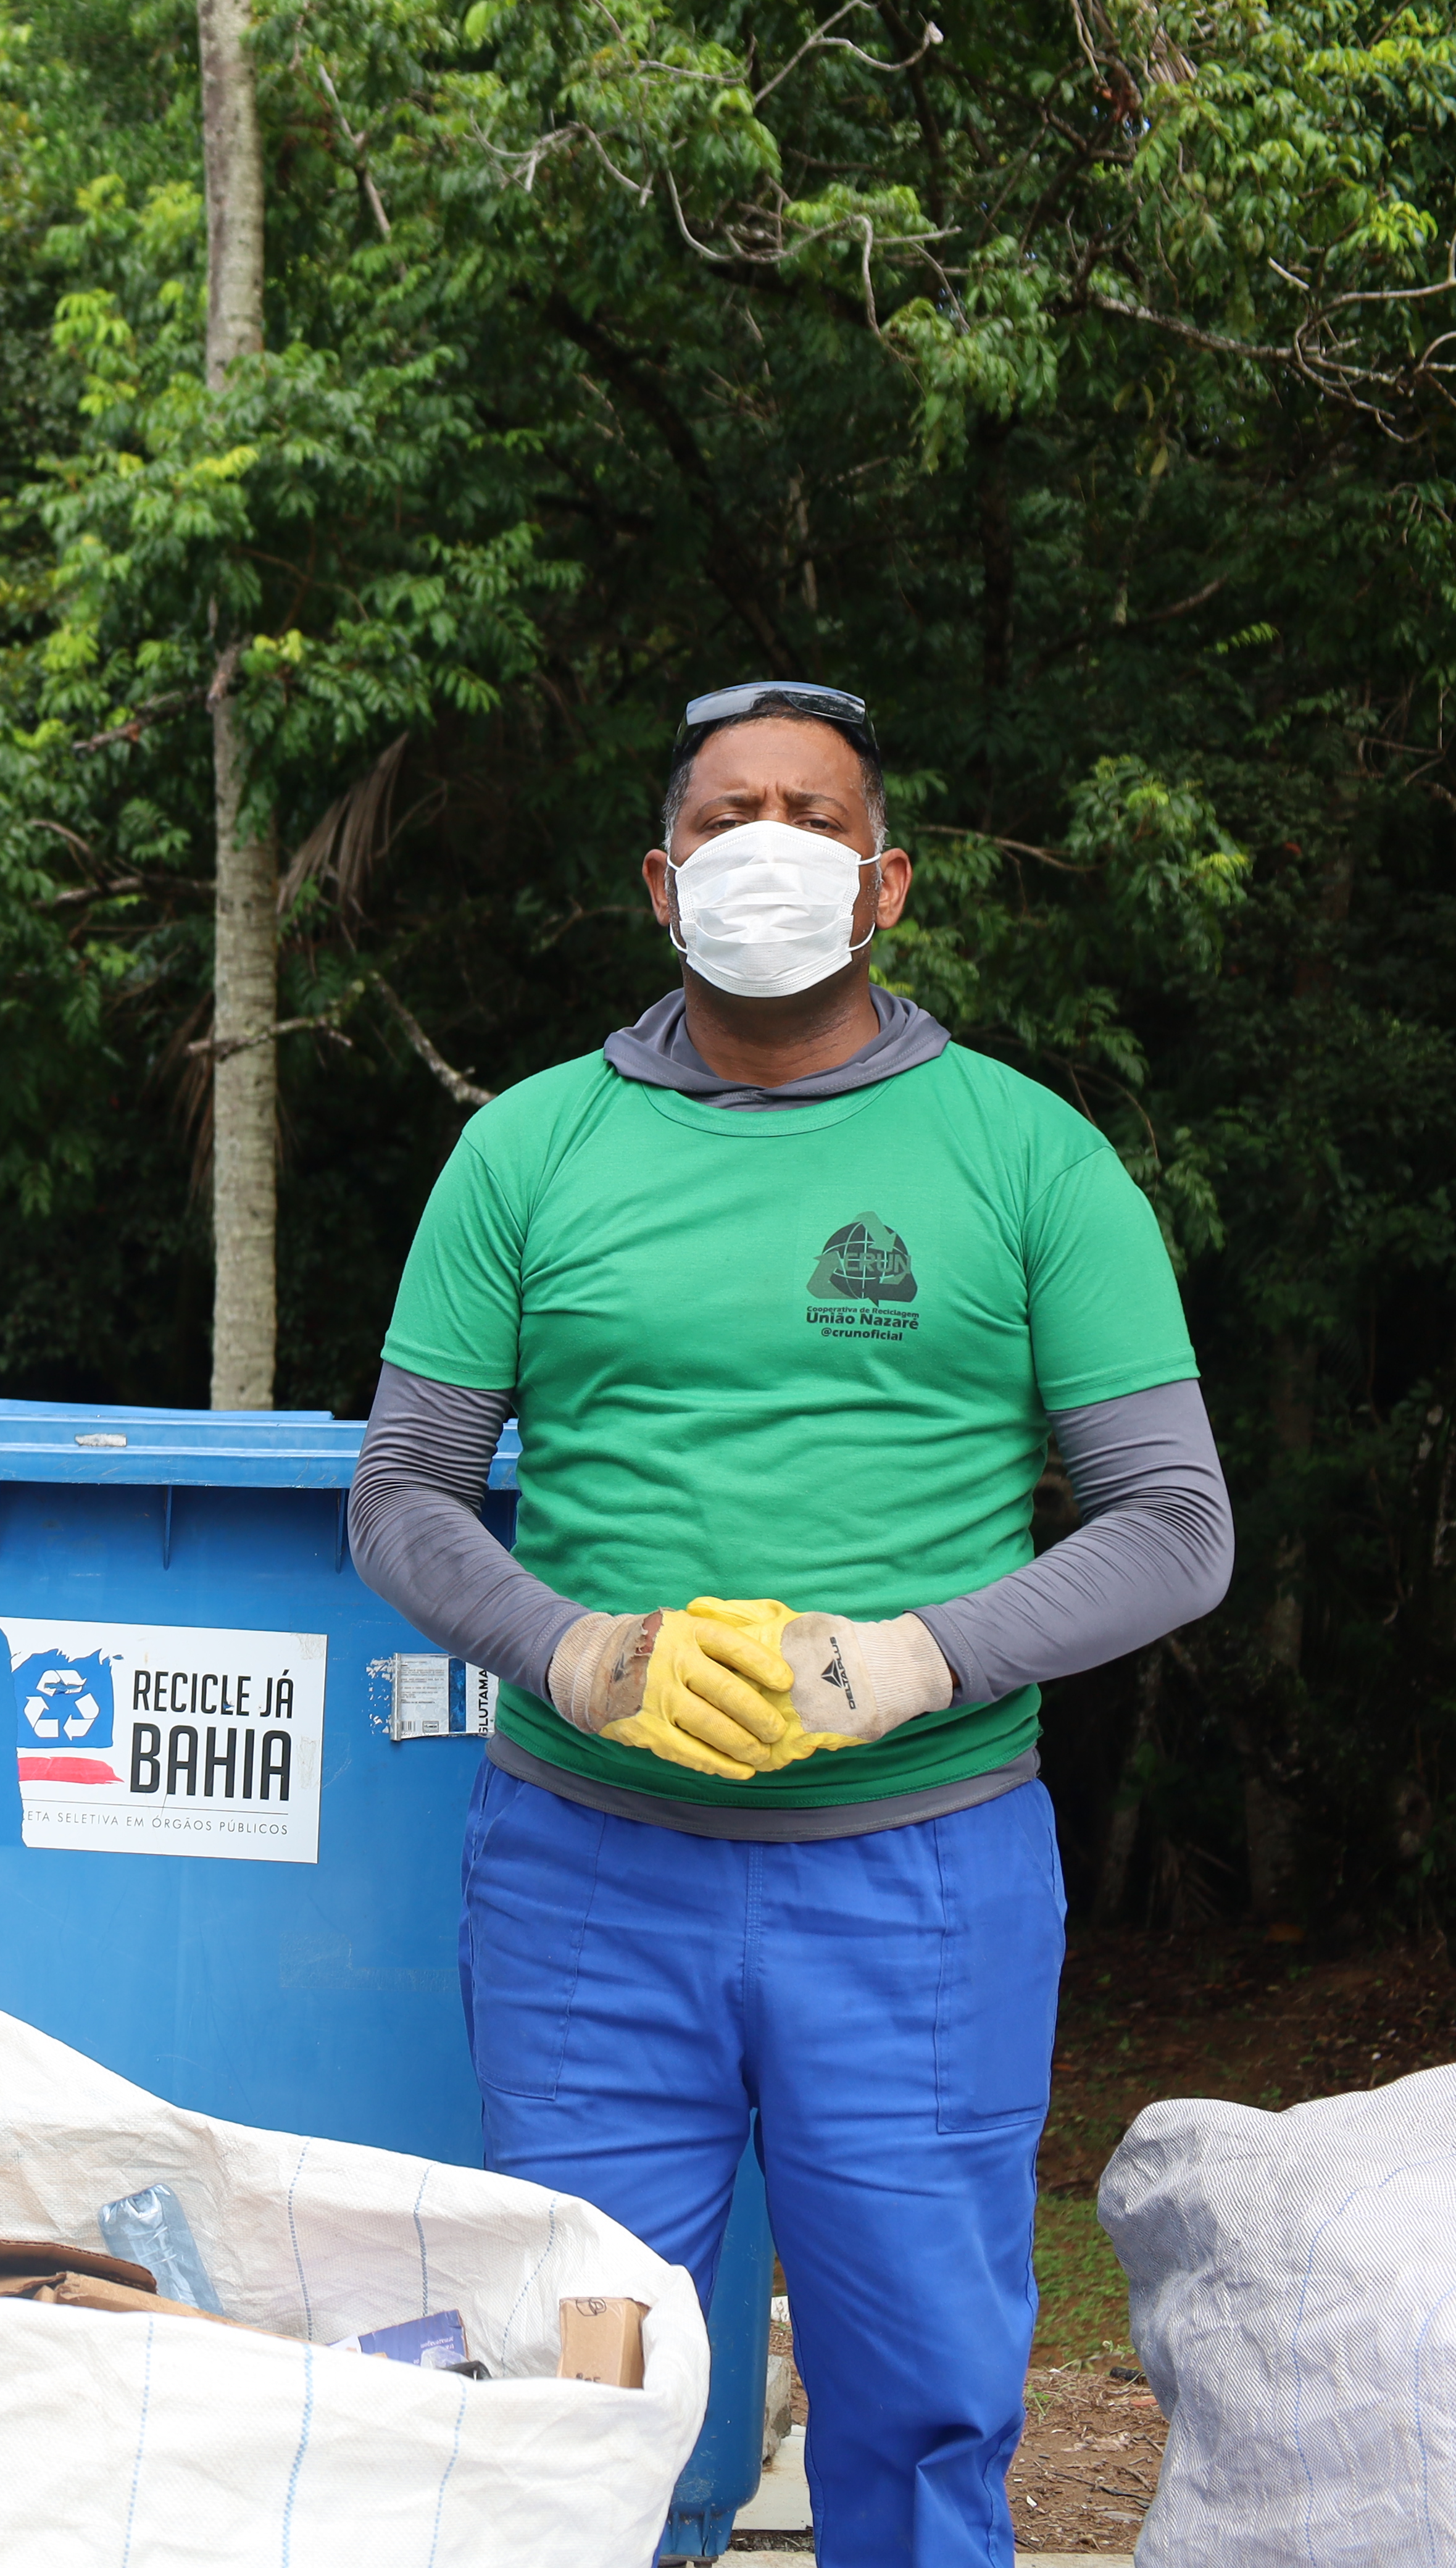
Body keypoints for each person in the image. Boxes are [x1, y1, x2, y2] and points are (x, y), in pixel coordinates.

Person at [346, 683, 1232, 2568]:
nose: (773, 844)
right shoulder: (528, 1150)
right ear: (663, 883)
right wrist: (574, 1650)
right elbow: (403, 1492)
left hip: (919, 1879)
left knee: (918, 2411)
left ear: (886, 880)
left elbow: (1176, 1525)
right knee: (587, 2398)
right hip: (588, 1871)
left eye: (814, 816)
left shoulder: (1027, 1156)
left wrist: (900, 1661)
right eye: (731, 815)